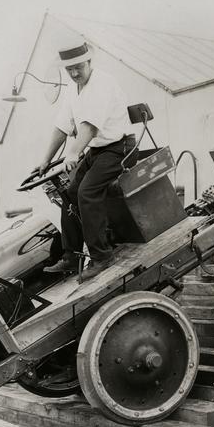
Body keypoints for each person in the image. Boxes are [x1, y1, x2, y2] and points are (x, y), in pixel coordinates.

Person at [38, 40, 137, 282]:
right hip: (98, 150)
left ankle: (102, 256)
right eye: (69, 69)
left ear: (89, 62)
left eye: (78, 67)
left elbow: (90, 127)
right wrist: (45, 160)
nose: (74, 73)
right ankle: (71, 255)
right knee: (70, 193)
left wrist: (73, 153)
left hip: (120, 148)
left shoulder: (102, 83)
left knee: (87, 192)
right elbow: (62, 126)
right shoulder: (73, 89)